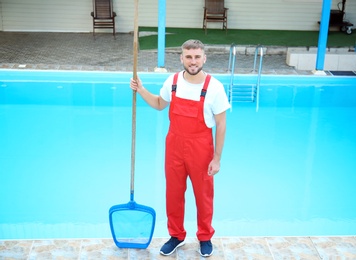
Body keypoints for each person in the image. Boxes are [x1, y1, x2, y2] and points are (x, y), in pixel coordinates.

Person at [130, 39, 230, 257]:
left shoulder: (215, 87)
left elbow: (221, 125)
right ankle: (176, 236)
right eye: (188, 56)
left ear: (204, 58)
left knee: (203, 196)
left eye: (196, 57)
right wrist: (141, 89)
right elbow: (159, 104)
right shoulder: (173, 81)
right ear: (181, 58)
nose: (192, 61)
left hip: (201, 148)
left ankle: (205, 237)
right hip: (174, 145)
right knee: (173, 194)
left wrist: (217, 158)